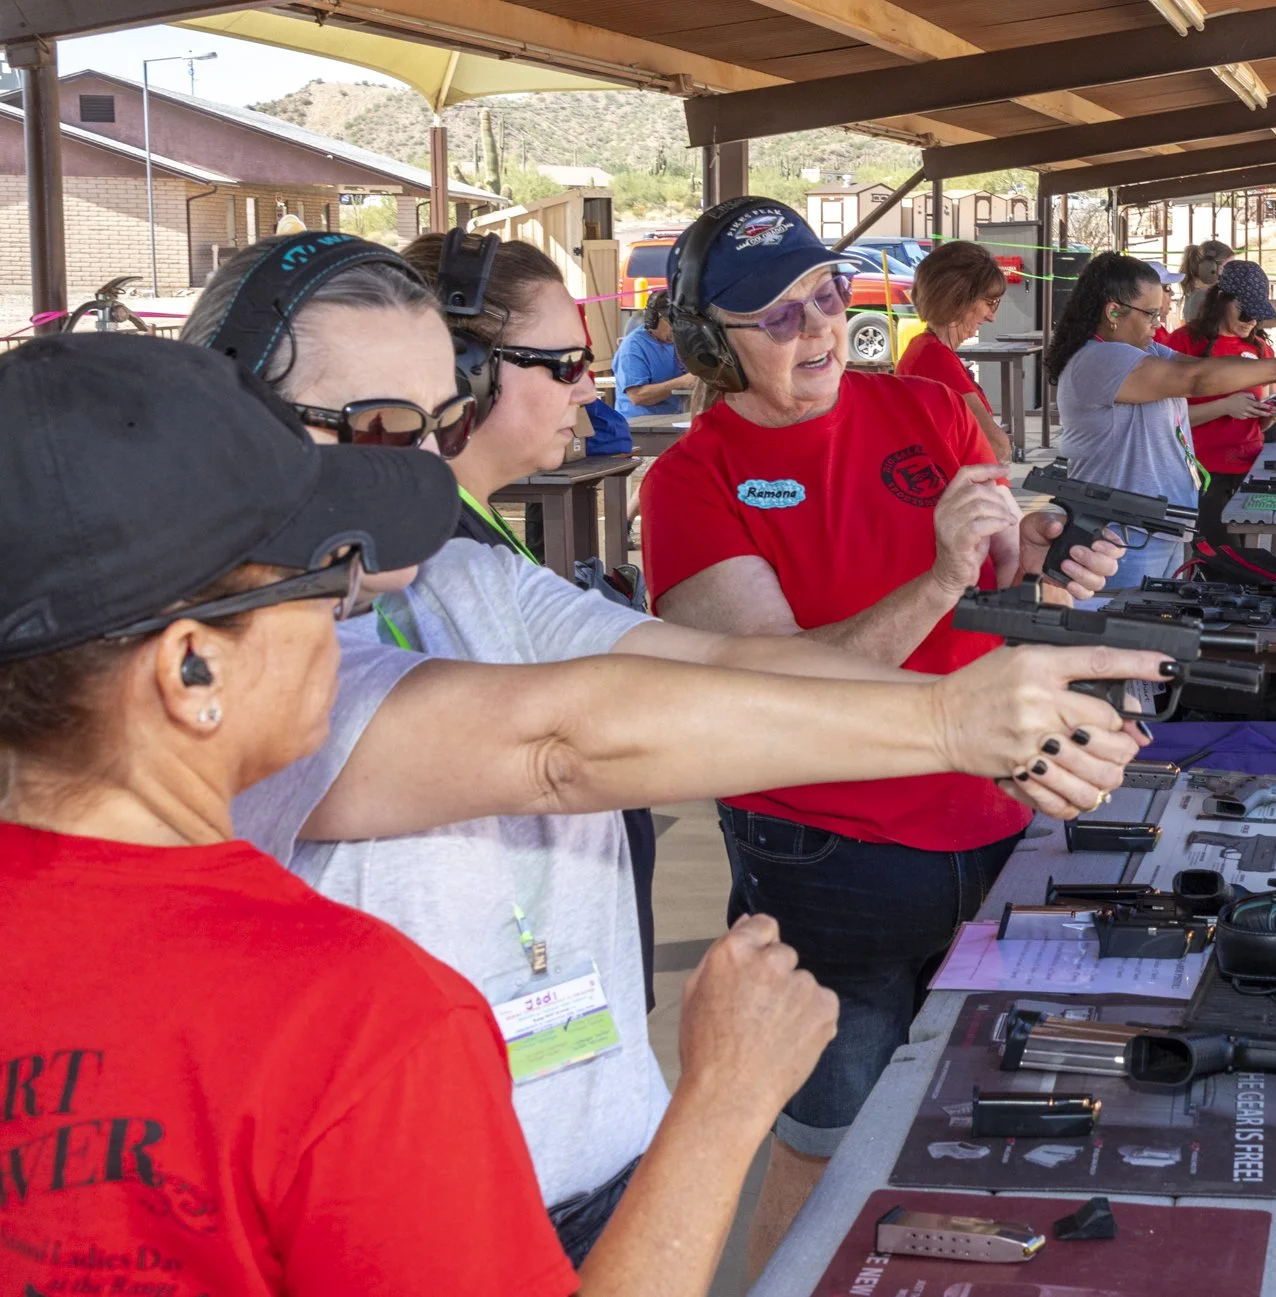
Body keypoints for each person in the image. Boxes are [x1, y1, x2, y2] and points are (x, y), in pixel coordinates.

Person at [177, 230, 1157, 1281]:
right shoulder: (234, 664)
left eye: (439, 419)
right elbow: (562, 745)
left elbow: (725, 665)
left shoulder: (463, 581)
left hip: (594, 1154)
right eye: (385, 427)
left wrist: (984, 705)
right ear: (239, 426)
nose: (428, 459)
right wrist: (953, 724)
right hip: (411, 1214)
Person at [0, 332, 817, 1297]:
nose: (351, 603)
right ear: (193, 669)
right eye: (323, 576)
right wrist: (723, 1098)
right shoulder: (358, 1022)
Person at [638, 198, 1138, 1270]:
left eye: (826, 295)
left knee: (988, 1125)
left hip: (994, 819)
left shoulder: (926, 406)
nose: (819, 327)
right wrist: (943, 576)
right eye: (778, 316)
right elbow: (779, 688)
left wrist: (1039, 557)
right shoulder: (688, 483)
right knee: (827, 1147)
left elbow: (999, 584)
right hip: (831, 860)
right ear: (711, 346)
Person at [1045, 251, 1276, 591]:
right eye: (1151, 314)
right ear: (1113, 312)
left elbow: (1200, 367)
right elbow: (1193, 380)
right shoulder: (1100, 358)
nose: (1159, 322)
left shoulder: (1145, 350)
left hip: (1154, 527)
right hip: (1120, 533)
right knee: (1123, 616)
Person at [1167, 259, 1276, 541]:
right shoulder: (1183, 343)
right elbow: (1163, 418)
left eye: (1257, 314)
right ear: (1222, 300)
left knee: (1244, 556)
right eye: (1244, 312)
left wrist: (1271, 412)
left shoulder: (1260, 349)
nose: (1251, 321)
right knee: (1217, 555)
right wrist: (1223, 407)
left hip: (1248, 468)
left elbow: (1259, 426)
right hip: (1200, 470)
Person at [897, 239, 1011, 462]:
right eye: (990, 302)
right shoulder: (934, 358)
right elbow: (995, 445)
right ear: (957, 300)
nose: (992, 316)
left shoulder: (926, 348)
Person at [612, 289, 696, 418]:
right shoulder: (633, 346)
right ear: (653, 319)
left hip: (672, 419)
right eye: (671, 322)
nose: (677, 328)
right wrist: (681, 383)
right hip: (638, 424)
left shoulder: (680, 342)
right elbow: (637, 396)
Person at [1179, 239, 1234, 321]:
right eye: (1227, 267)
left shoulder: (1200, 294)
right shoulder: (1203, 297)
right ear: (1209, 267)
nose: (1232, 272)